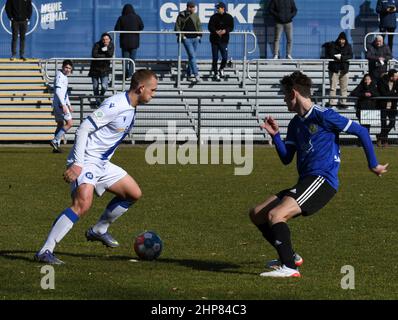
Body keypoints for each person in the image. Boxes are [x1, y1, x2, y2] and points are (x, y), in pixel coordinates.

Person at [250, 71, 388, 278]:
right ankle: (290, 256)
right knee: (258, 213)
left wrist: (373, 164)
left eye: (285, 94)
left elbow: (362, 131)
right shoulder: (295, 123)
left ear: (294, 93)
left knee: (276, 215)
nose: (283, 99)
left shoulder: (324, 115)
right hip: (306, 180)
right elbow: (287, 158)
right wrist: (276, 136)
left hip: (322, 181)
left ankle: (290, 267)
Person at [35, 70, 158, 264]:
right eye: (152, 90)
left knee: (133, 194)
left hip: (102, 163)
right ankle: (45, 250)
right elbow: (84, 127)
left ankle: (99, 230)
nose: (154, 94)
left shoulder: (131, 106)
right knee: (82, 205)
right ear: (141, 88)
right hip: (87, 159)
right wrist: (77, 163)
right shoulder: (115, 104)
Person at [175, 1, 203, 82]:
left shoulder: (195, 16)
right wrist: (183, 36)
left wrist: (199, 36)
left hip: (195, 39)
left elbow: (199, 26)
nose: (193, 9)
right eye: (192, 7)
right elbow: (177, 27)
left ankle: (188, 74)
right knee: (192, 55)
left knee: (191, 57)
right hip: (187, 39)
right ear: (188, 7)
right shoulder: (181, 15)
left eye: (194, 7)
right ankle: (196, 74)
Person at [114, 4, 144, 79]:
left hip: (124, 42)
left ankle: (125, 74)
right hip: (134, 42)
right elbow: (142, 26)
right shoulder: (137, 17)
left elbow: (116, 29)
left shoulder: (121, 18)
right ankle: (130, 74)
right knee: (132, 59)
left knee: (125, 59)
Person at [50, 60, 74, 153]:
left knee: (60, 124)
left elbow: (65, 93)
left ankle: (56, 147)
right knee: (70, 123)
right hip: (60, 104)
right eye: (66, 67)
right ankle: (55, 141)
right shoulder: (60, 76)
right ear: (63, 67)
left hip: (59, 103)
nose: (68, 70)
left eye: (69, 68)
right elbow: (58, 91)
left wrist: (69, 104)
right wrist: (64, 105)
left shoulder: (64, 77)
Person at [326, 32, 353, 108]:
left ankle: (343, 102)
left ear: (345, 40)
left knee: (344, 88)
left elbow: (351, 55)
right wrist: (338, 57)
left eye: (343, 39)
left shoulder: (348, 46)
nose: (341, 41)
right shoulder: (333, 45)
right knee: (333, 87)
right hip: (334, 69)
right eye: (340, 39)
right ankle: (332, 102)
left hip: (344, 70)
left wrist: (342, 58)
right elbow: (331, 54)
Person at [208, 2, 234, 80]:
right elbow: (210, 27)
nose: (217, 9)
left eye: (218, 8)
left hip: (224, 40)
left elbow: (231, 27)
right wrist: (216, 31)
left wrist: (225, 31)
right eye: (217, 8)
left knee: (225, 57)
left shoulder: (229, 17)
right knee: (215, 58)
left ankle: (221, 69)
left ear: (223, 8)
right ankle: (216, 73)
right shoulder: (213, 17)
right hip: (214, 40)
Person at [89, 33, 115, 107]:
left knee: (104, 86)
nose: (105, 41)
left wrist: (106, 49)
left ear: (109, 40)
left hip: (105, 69)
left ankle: (101, 96)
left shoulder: (111, 45)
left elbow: (110, 55)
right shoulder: (97, 44)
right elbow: (94, 54)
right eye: (103, 39)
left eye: (107, 39)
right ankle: (98, 101)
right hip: (95, 68)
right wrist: (104, 56)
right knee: (95, 86)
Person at [376, 68, 398, 147]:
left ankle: (380, 136)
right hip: (383, 105)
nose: (397, 77)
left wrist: (390, 94)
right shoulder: (382, 81)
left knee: (392, 123)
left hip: (393, 106)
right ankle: (385, 142)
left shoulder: (396, 82)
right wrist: (393, 93)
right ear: (391, 76)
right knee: (383, 124)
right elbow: (383, 93)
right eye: (395, 76)